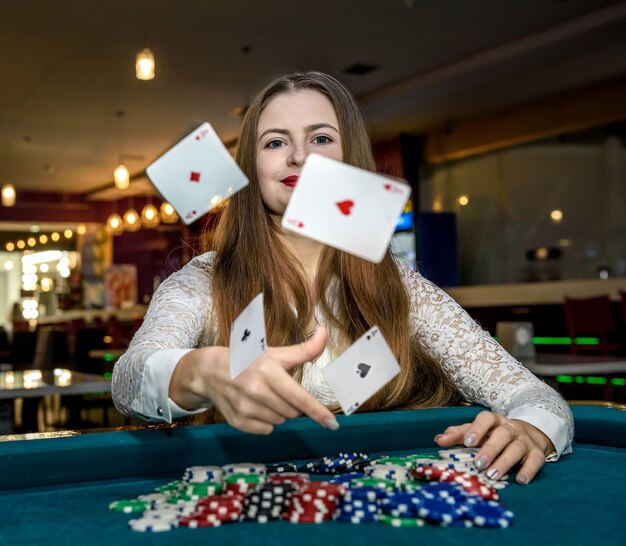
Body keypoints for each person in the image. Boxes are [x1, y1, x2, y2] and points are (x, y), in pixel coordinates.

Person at [112, 71, 573, 485]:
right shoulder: (205, 280)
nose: (298, 156)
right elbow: (128, 382)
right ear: (251, 168)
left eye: (321, 138)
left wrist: (531, 428)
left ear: (350, 154)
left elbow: (536, 396)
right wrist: (198, 371)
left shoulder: (402, 289)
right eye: (274, 143)